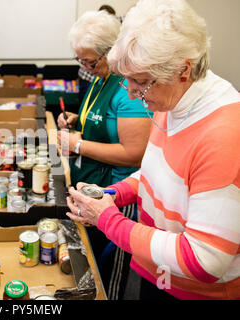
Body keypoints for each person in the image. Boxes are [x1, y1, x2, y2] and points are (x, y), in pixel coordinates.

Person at [66, 0, 240, 300]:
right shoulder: (172, 98)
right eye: (128, 80)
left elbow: (204, 260)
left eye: (141, 83)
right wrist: (112, 195)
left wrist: (108, 220)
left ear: (183, 70)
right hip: (160, 270)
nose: (132, 93)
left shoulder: (223, 134)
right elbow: (154, 171)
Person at [57, 10, 152, 300]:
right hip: (92, 183)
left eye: (89, 60)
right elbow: (102, 123)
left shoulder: (126, 88)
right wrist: (77, 119)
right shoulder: (100, 76)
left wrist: (76, 144)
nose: (85, 67)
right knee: (89, 258)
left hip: (117, 195)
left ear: (110, 51)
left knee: (107, 276)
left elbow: (135, 153)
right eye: (80, 60)